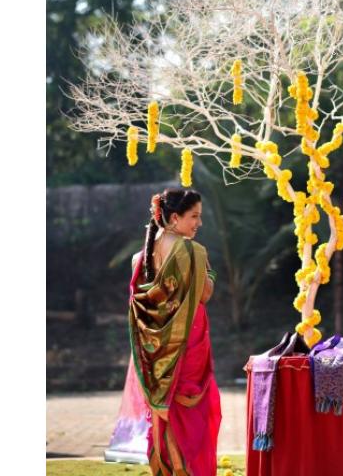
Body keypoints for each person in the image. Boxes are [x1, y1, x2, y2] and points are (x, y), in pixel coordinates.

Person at [127, 188, 221, 475]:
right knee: (191, 414)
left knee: (162, 412)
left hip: (154, 352)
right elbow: (205, 294)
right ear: (175, 217)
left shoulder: (139, 258)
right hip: (188, 346)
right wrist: (207, 272)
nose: (199, 223)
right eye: (194, 216)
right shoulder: (191, 252)